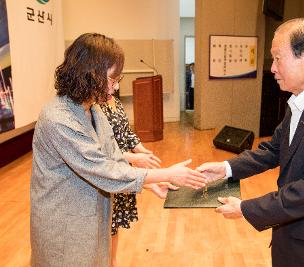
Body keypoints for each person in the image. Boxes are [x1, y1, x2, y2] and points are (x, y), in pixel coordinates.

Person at [198, 18, 304, 267]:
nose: (273, 68)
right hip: (295, 235)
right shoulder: (301, 101)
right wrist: (226, 168)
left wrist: (246, 208)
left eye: (278, 58)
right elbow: (273, 150)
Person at [30, 33, 206, 267]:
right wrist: (167, 174)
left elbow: (112, 157)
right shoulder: (58, 118)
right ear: (90, 74)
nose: (116, 85)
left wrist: (152, 184)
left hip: (90, 219)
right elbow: (102, 169)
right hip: (64, 225)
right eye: (112, 78)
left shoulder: (93, 109)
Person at [100, 93, 178, 267]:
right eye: (112, 78)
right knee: (104, 228)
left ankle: (113, 262)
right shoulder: (93, 107)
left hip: (124, 170)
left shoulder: (115, 101)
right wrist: (133, 159)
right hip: (109, 172)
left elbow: (127, 134)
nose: (115, 84)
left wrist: (142, 151)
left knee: (114, 225)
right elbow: (101, 150)